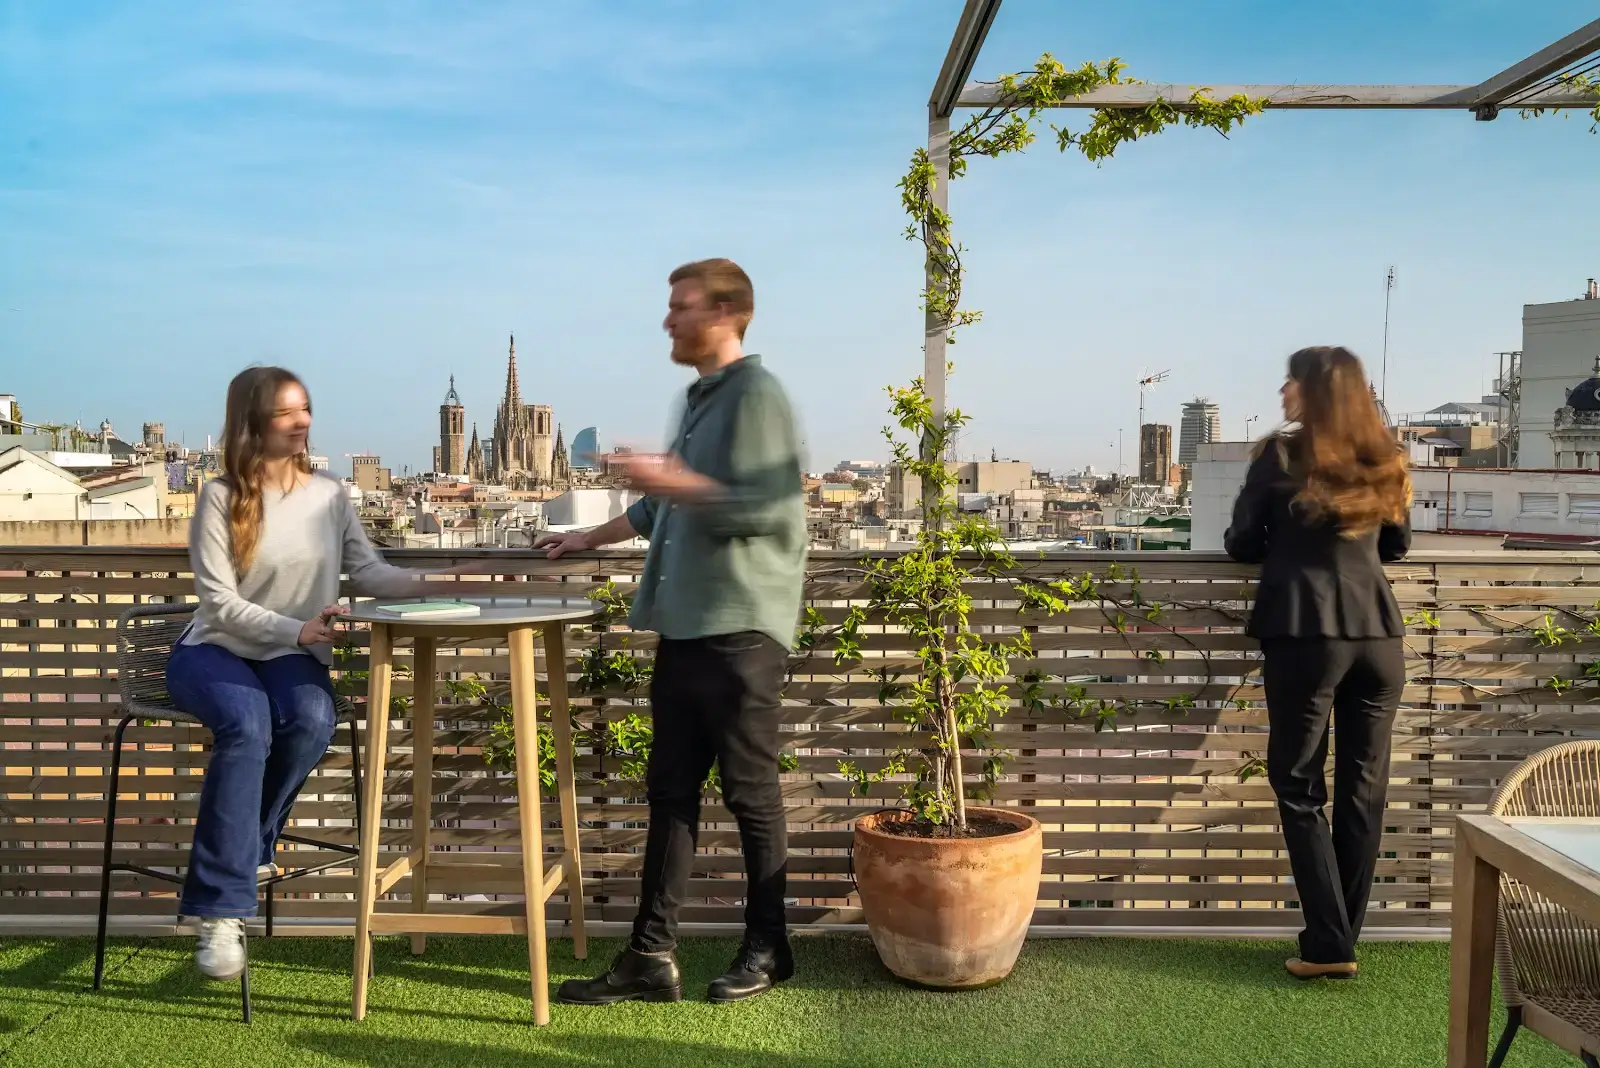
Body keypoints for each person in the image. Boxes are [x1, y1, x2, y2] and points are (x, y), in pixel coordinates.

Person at [537, 258, 806, 1005]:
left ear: (724, 313)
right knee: (671, 794)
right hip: (687, 625)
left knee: (750, 794)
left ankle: (768, 947)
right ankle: (650, 956)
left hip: (741, 626)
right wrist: (583, 541)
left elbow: (766, 508)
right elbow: (661, 511)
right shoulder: (701, 397)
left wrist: (666, 476)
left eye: (681, 306)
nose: (668, 319)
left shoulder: (757, 395)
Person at [174, 366, 465, 980]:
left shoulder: (331, 494)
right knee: (247, 723)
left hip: (287, 654)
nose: (303, 421)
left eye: (305, 408)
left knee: (311, 718)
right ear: (254, 421)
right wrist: (298, 630)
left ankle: (248, 847)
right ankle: (221, 911)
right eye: (287, 413)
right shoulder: (220, 496)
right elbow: (218, 603)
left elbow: (369, 572)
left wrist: (440, 583)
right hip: (216, 648)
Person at [1224, 345, 1412, 981]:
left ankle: (1330, 944)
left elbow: (1241, 543)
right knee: (1364, 791)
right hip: (1380, 636)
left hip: (1307, 632)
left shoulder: (1279, 455)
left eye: (1292, 381)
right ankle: (1338, 938)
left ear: (1313, 392)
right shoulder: (1383, 457)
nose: (1283, 391)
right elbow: (1399, 546)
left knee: (1299, 785)